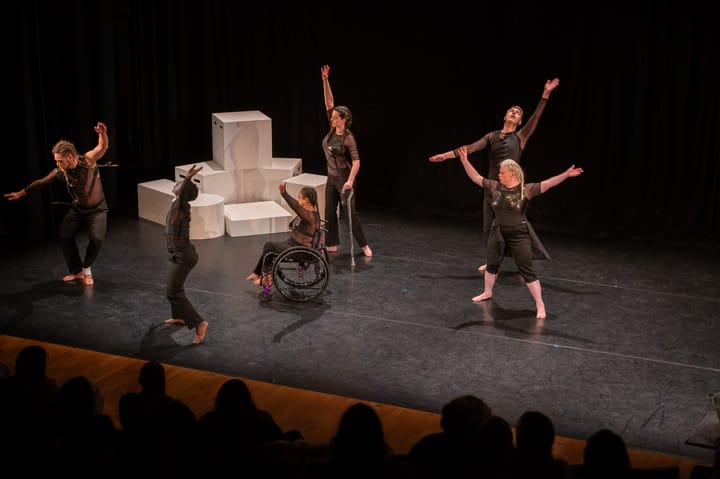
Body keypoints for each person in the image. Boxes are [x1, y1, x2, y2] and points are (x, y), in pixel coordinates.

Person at [429, 78, 560, 271]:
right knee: (488, 227)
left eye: (518, 113)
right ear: (505, 115)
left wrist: (545, 96)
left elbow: (536, 119)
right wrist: (446, 156)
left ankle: (523, 260)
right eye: (511, 110)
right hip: (492, 187)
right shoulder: (492, 136)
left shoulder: (520, 137)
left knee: (516, 226)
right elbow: (469, 148)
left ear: (520, 121)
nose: (514, 112)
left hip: (512, 191)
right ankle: (492, 262)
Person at [456, 145, 583, 319]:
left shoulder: (526, 190)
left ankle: (540, 304)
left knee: (526, 269)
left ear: (512, 173)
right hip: (498, 232)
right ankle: (487, 292)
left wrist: (566, 175)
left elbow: (548, 183)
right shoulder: (495, 187)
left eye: (502, 172)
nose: (499, 174)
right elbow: (476, 177)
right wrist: (464, 161)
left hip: (519, 235)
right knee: (492, 264)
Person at [4, 122, 110, 286]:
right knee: (65, 235)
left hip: (97, 210)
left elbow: (101, 148)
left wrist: (102, 134)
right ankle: (77, 271)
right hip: (78, 209)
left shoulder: (87, 161)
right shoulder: (61, 171)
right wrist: (21, 193)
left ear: (70, 156)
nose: (58, 164)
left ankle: (86, 267)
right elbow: (41, 182)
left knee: (96, 240)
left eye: (60, 160)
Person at [320, 64, 372, 257]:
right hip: (331, 178)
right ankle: (332, 244)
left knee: (350, 214)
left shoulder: (348, 138)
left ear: (343, 119)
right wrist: (325, 80)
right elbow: (328, 102)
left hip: (344, 178)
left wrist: (350, 181)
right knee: (329, 211)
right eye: (332, 117)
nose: (332, 119)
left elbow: (357, 162)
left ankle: (364, 245)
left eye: (335, 117)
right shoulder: (333, 129)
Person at [162, 164, 209, 345]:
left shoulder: (181, 206)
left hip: (183, 255)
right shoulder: (179, 206)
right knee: (175, 288)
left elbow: (182, 194)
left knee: (172, 292)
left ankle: (199, 323)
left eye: (181, 185)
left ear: (183, 192)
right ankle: (180, 316)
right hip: (180, 254)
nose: (177, 185)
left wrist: (188, 178)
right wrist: (186, 180)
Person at [246, 182, 320, 286]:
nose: (298, 200)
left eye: (299, 197)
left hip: (298, 249)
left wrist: (284, 193)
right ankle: (256, 273)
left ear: (306, 199)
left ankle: (267, 278)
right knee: (270, 249)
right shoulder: (311, 214)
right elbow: (294, 223)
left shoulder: (309, 215)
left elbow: (296, 207)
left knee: (269, 246)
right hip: (294, 244)